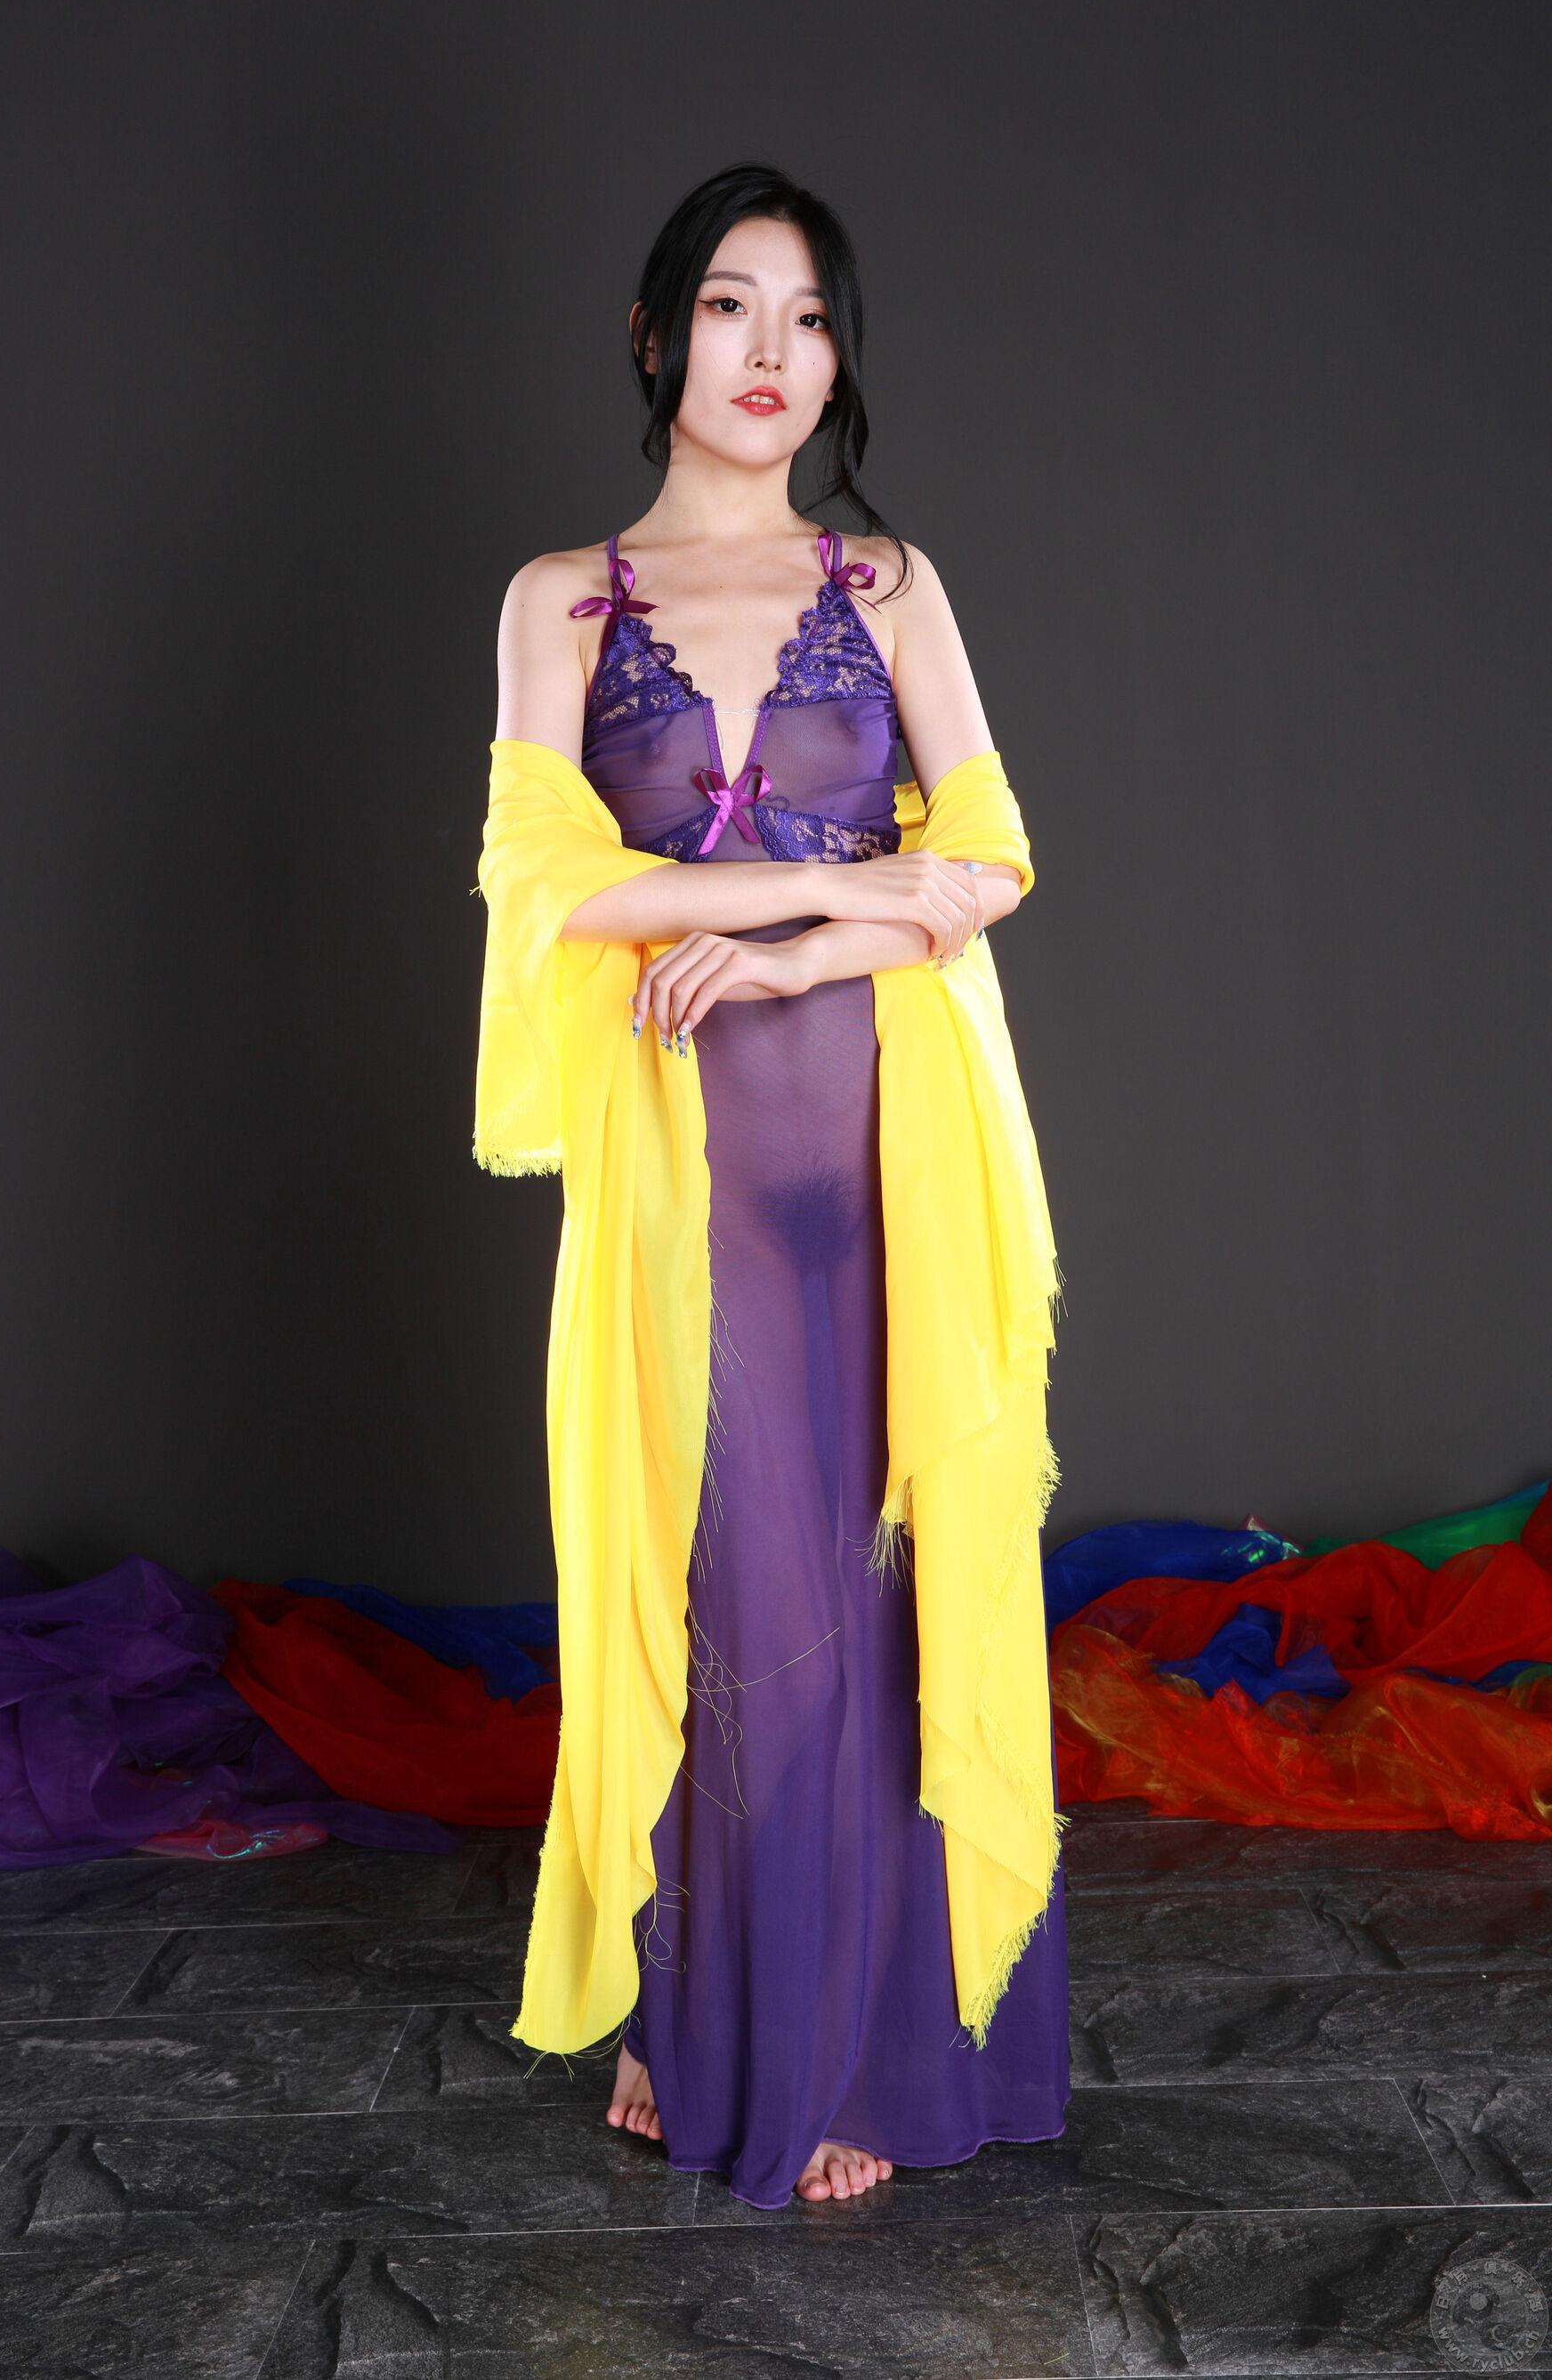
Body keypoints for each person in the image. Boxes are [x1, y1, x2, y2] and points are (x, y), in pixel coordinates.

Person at [489, 161, 1069, 2210]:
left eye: (810, 319)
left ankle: (858, 2049)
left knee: (878, 1578)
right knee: (720, 1587)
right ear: (659, 337)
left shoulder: (890, 584)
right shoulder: (563, 600)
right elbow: (546, 883)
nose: (774, 354)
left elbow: (989, 856)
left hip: (886, 1157)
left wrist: (809, 950)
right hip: (686, 1186)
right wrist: (824, 883)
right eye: (735, 308)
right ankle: (713, 2011)